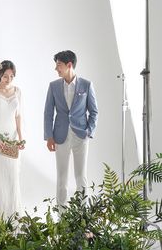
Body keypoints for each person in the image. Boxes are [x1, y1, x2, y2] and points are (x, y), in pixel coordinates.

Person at [44, 50, 98, 210]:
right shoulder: (53, 86)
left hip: (81, 136)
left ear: (69, 65)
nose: (56, 69)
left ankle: (82, 216)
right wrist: (49, 136)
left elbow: (94, 112)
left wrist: (89, 131)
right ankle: (62, 217)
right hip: (59, 136)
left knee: (81, 177)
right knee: (62, 178)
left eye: (58, 65)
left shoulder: (86, 85)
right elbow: (48, 113)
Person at [0, 60, 24, 218]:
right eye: (6, 76)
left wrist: (21, 137)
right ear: (0, 75)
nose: (8, 79)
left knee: (11, 176)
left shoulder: (18, 91)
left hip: (12, 139)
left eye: (12, 76)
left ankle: (11, 215)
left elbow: (18, 115)